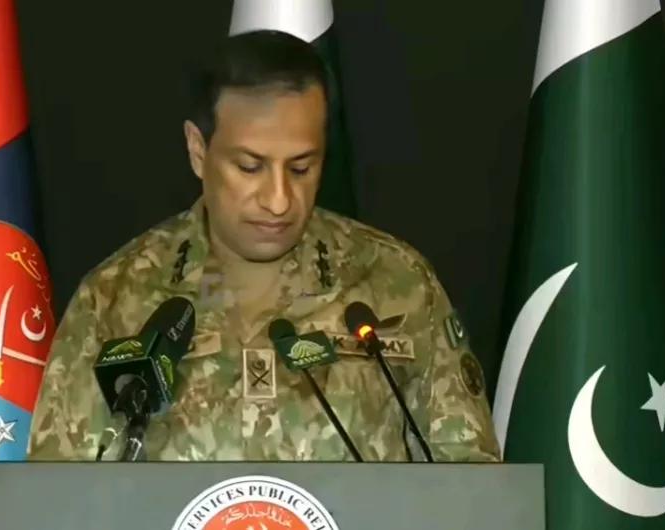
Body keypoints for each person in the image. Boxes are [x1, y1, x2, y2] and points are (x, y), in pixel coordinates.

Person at [26, 30, 500, 462]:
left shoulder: (396, 283)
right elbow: (58, 497)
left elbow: (471, 484)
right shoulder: (114, 299)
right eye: (250, 167)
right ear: (198, 150)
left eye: (301, 168)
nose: (279, 200)